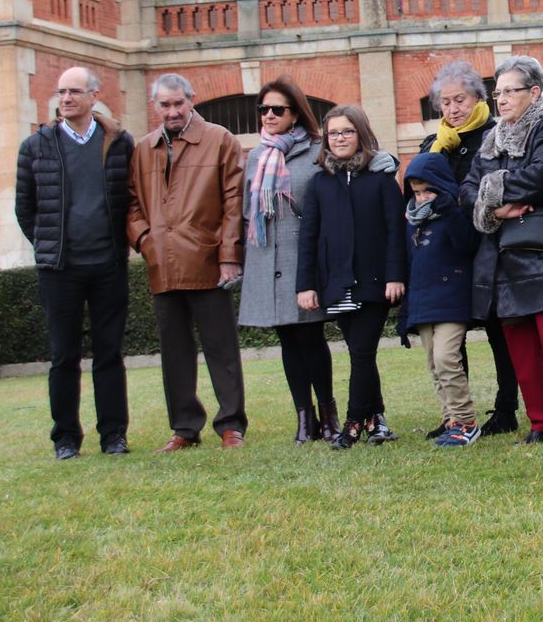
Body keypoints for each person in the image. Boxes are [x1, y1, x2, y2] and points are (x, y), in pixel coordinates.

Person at [464, 56, 543, 446]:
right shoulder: (491, 138)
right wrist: (496, 204)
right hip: (501, 253)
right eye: (497, 92)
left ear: (533, 92)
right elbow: (467, 189)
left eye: (509, 91)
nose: (500, 99)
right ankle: (542, 423)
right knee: (520, 343)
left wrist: (492, 188)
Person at [15, 67, 135, 459]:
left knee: (109, 354)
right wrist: (49, 244)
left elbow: (131, 197)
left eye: (74, 92)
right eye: (61, 92)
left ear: (94, 96)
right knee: (63, 356)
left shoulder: (118, 142)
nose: (65, 99)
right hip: (60, 269)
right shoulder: (36, 146)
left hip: (108, 265)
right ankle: (66, 438)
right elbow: (25, 208)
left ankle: (113, 435)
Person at [128, 73, 248, 452]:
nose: (173, 110)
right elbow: (131, 204)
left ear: (191, 101)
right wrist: (145, 241)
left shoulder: (219, 140)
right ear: (155, 107)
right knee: (174, 352)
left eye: (178, 103)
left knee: (221, 348)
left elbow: (234, 202)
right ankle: (184, 427)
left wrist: (229, 256)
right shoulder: (143, 148)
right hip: (162, 262)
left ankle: (231, 424)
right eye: (165, 104)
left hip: (208, 261)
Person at [296, 105, 408, 450]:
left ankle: (352, 424)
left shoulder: (381, 181)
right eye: (333, 133)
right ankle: (378, 421)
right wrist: (306, 284)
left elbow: (395, 232)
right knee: (361, 354)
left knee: (361, 353)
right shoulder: (319, 184)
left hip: (374, 283)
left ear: (360, 134)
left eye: (346, 131)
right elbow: (309, 237)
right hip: (336, 284)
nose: (339, 138)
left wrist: (395, 276)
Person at [418, 60, 520, 437]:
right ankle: (456, 417)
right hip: (448, 254)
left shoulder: (497, 136)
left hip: (489, 246)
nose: (453, 109)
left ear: (479, 98)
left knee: (498, 333)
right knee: (449, 337)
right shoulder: (433, 146)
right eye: (445, 103)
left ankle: (506, 408)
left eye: (460, 100)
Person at [237, 76, 335, 444]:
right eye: (263, 109)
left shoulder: (316, 151)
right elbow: (248, 211)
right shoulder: (256, 156)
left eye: (277, 109)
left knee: (310, 337)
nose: (268, 115)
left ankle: (328, 415)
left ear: (295, 113)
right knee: (287, 341)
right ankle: (304, 419)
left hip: (302, 258)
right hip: (266, 257)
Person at [401, 151, 482, 447]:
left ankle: (466, 421)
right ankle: (450, 420)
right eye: (417, 192)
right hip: (423, 302)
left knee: (447, 358)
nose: (422, 198)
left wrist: (451, 212)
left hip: (451, 298)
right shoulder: (411, 220)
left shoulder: (454, 214)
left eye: (428, 191)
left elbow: (468, 246)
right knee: (434, 365)